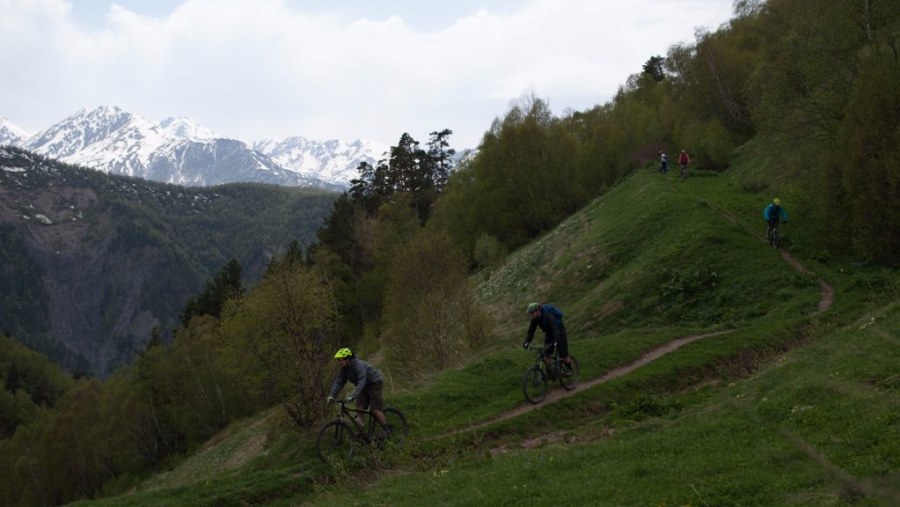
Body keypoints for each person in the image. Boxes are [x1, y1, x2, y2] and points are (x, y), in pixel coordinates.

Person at [326, 347, 392, 437]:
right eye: (338, 360)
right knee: (359, 408)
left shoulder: (358, 365)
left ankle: (387, 430)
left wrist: (352, 396)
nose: (339, 362)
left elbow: (361, 381)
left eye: (340, 360)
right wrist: (331, 395)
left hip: (374, 383)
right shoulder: (344, 370)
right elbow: (338, 382)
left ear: (348, 359)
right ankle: (362, 432)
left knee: (375, 410)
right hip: (363, 386)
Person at [523, 302, 573, 378]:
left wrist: (556, 341)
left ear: (537, 311)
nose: (531, 315)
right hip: (549, 333)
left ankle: (569, 369)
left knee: (563, 352)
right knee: (547, 353)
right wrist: (526, 342)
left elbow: (555, 328)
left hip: (559, 331)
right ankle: (550, 373)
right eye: (530, 313)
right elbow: (531, 332)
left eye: (532, 313)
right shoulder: (535, 319)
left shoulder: (548, 315)